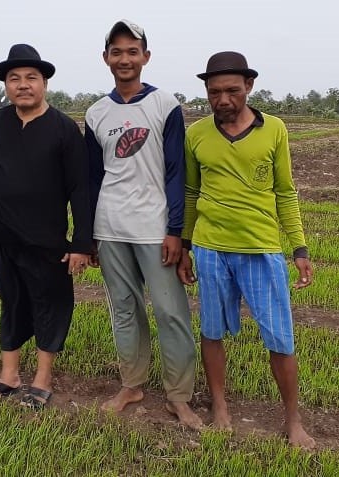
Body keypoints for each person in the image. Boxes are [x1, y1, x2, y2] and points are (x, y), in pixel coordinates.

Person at [178, 51, 316, 448]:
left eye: (232, 91)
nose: (223, 99)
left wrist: (299, 248)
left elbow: (285, 192)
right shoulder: (197, 134)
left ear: (249, 87)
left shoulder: (274, 130)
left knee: (280, 338)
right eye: (214, 92)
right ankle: (220, 407)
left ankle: (293, 420)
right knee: (212, 330)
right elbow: (190, 192)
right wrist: (186, 245)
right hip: (210, 249)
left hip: (261, 249)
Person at [85, 20, 201, 429]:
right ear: (106, 59)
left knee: (171, 312)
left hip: (155, 229)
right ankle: (132, 385)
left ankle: (179, 396)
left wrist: (175, 231)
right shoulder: (96, 112)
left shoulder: (165, 105)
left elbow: (175, 172)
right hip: (110, 227)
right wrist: (90, 237)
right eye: (116, 52)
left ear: (146, 57)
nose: (124, 59)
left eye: (132, 51)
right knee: (124, 310)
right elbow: (93, 177)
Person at [0, 44, 92, 411]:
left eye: (30, 78)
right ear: (6, 85)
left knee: (50, 305)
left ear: (44, 83)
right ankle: (9, 376)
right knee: (12, 303)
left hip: (46, 240)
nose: (22, 85)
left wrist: (82, 242)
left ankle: (42, 380)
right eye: (14, 78)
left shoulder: (64, 130)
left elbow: (80, 189)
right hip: (1, 237)